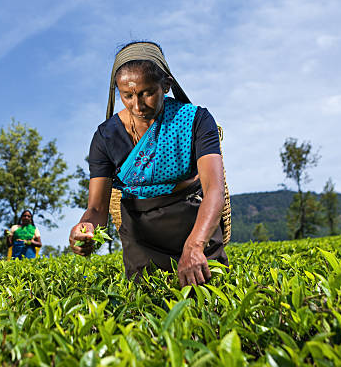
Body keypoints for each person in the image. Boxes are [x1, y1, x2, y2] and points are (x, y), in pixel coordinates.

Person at [69, 41, 229, 287]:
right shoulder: (106, 137)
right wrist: (86, 227)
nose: (137, 105)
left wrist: (195, 245)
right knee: (146, 310)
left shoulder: (195, 120)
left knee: (210, 303)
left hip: (193, 225)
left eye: (147, 93)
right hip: (141, 236)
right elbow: (97, 208)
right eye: (127, 95)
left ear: (166, 85)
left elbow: (214, 190)